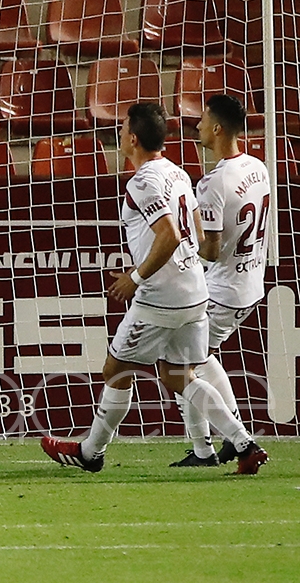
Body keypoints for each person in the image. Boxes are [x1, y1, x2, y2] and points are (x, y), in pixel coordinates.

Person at [41, 102, 268, 475]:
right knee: (180, 375)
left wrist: (136, 277)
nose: (119, 133)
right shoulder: (177, 172)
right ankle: (244, 443)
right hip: (196, 290)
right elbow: (196, 232)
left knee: (116, 369)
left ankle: (91, 452)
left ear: (132, 138)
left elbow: (170, 234)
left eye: (123, 128)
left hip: (161, 298)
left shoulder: (143, 182)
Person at [171, 95, 271, 466]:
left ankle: (213, 447)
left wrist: (182, 242)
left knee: (178, 363)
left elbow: (210, 251)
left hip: (223, 289)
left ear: (217, 128)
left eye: (202, 120)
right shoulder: (258, 167)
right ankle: (225, 441)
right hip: (251, 283)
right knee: (199, 356)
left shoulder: (212, 183)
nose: (196, 126)